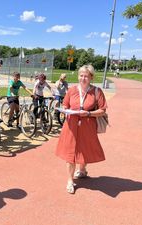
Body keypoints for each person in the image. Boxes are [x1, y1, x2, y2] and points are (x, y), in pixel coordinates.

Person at [55, 65, 108, 194]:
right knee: (70, 153)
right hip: (71, 126)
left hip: (88, 125)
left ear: (91, 77)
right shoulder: (72, 90)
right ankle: (69, 180)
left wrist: (88, 114)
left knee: (84, 149)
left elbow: (102, 110)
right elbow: (65, 104)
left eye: (86, 76)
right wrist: (65, 111)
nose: (83, 78)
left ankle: (83, 170)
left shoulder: (97, 91)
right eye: (81, 75)